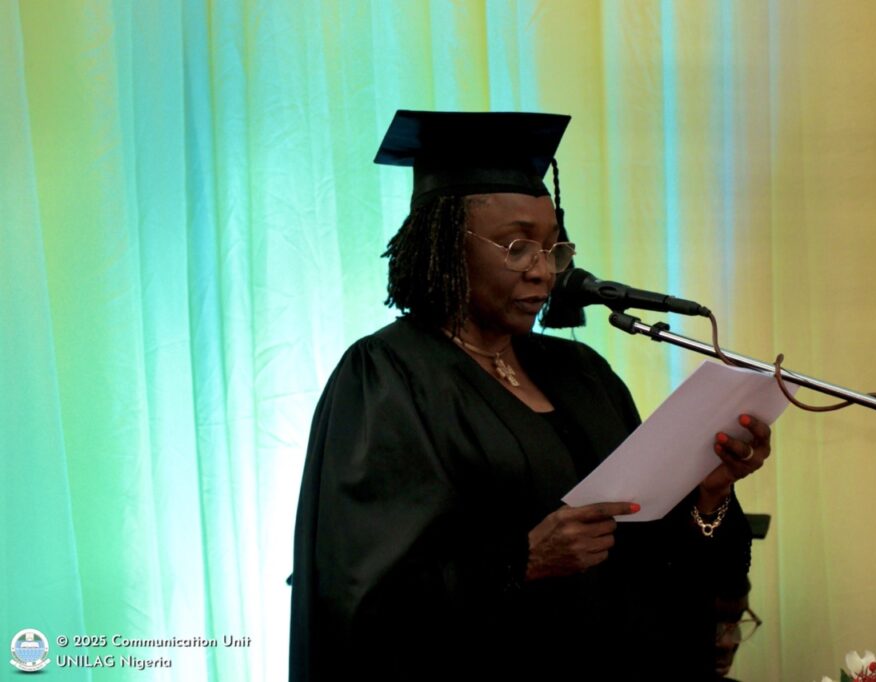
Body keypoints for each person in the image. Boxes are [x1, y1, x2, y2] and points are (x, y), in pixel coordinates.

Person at [289, 110, 771, 678]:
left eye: (553, 248)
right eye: (517, 246)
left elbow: (653, 558)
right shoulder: (387, 376)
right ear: (445, 245)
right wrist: (522, 562)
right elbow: (361, 595)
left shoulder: (581, 371)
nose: (544, 272)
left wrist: (707, 495)